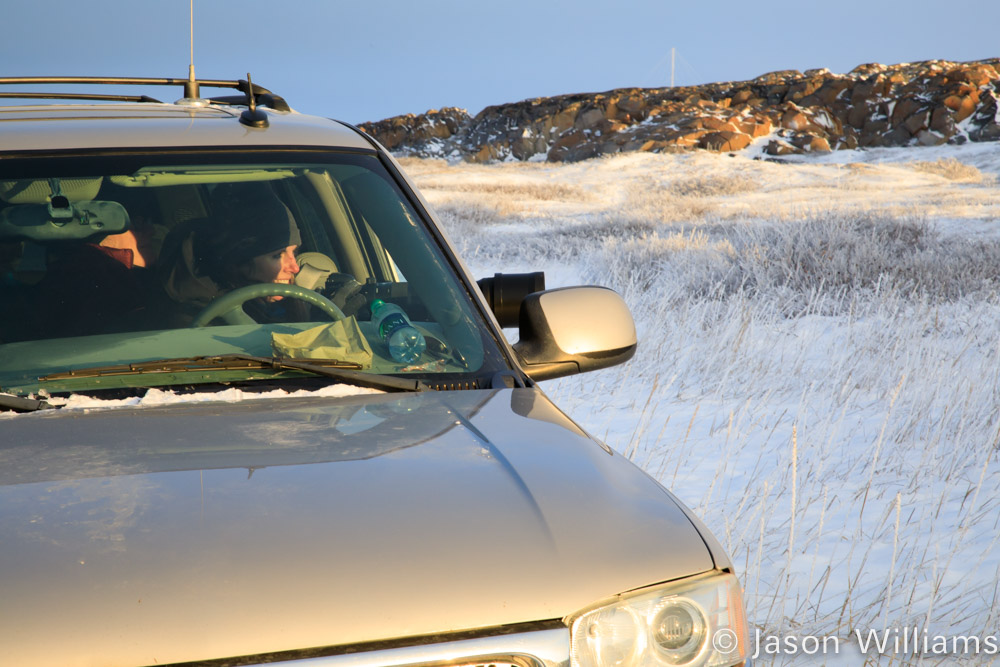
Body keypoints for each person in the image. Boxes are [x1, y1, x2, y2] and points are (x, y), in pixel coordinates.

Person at [161, 184, 305, 325]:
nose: (294, 268)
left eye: (294, 252)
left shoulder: (294, 302)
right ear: (240, 261)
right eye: (278, 255)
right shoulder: (196, 321)